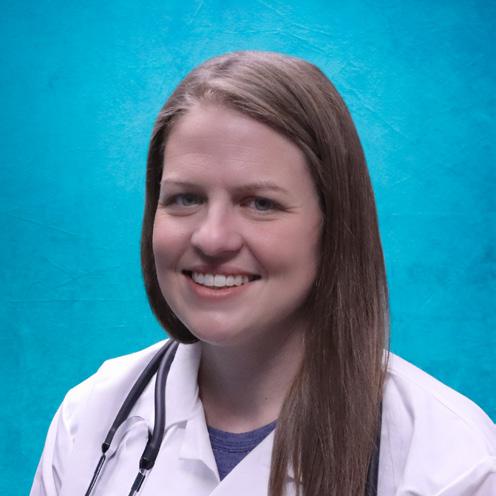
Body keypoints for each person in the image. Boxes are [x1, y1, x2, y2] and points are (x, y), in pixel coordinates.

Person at [30, 51, 495, 496]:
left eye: (260, 203)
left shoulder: (453, 465)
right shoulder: (89, 419)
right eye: (186, 198)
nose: (213, 239)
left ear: (334, 226)